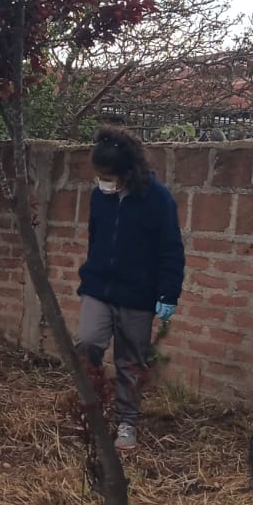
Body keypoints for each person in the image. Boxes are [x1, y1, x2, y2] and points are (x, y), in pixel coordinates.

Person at [76, 127, 185, 452]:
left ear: (127, 172)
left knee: (130, 361)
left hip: (138, 293)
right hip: (99, 286)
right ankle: (90, 408)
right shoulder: (100, 196)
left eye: (108, 176)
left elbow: (171, 247)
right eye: (100, 176)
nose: (103, 182)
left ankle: (126, 422)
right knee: (87, 341)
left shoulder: (157, 198)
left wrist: (168, 293)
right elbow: (95, 237)